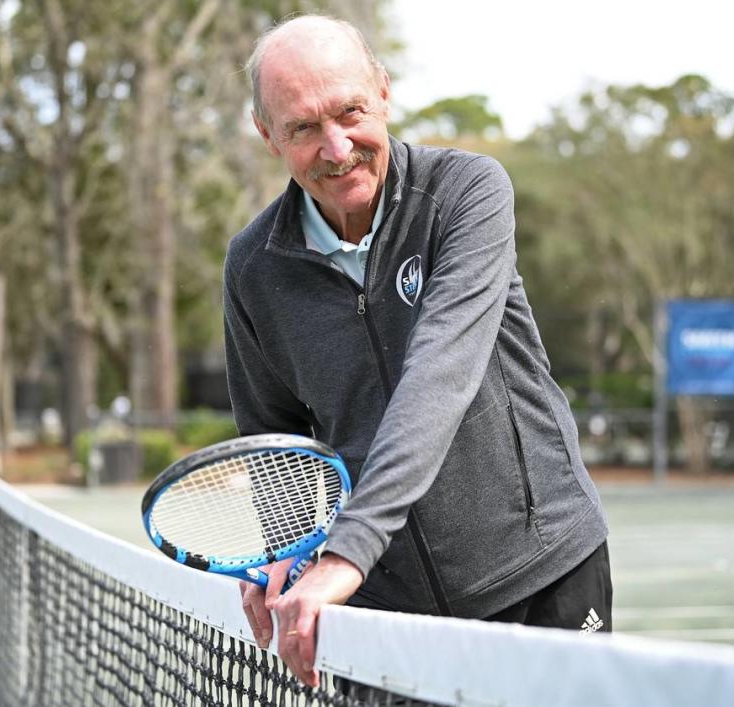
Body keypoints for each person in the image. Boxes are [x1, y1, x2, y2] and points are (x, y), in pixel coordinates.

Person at [224, 14, 612, 687]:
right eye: (303, 128)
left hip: (543, 574)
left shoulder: (467, 195)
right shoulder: (253, 267)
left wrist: (346, 554)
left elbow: (438, 380)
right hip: (384, 614)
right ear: (268, 136)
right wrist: (286, 553)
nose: (337, 147)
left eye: (349, 111)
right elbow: (275, 438)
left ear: (383, 91)